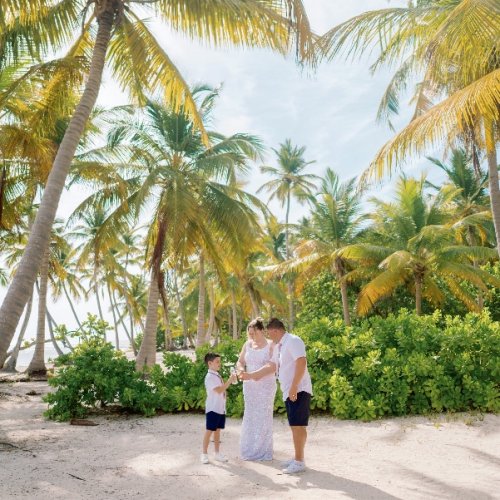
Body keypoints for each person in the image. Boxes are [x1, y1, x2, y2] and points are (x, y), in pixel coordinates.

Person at [266, 317, 312, 474]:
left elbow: (301, 362)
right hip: (289, 390)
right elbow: (273, 366)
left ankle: (299, 461)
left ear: (276, 330)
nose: (269, 336)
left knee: (297, 426)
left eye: (270, 333)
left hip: (298, 389)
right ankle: (298, 457)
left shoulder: (293, 340)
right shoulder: (280, 345)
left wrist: (293, 387)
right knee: (296, 425)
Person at [237, 318, 277, 461]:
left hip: (265, 386)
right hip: (249, 386)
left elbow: (272, 366)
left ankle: (263, 451)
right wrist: (241, 370)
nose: (251, 336)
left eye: (254, 333)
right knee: (250, 415)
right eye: (250, 333)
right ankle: (249, 449)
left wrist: (252, 375)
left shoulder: (271, 345)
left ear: (261, 330)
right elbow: (240, 361)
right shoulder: (247, 344)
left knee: (263, 416)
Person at [201, 352, 237, 464]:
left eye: (219, 361)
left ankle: (217, 453)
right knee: (209, 431)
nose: (219, 364)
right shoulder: (210, 377)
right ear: (210, 363)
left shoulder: (216, 375)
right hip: (213, 408)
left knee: (217, 431)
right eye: (217, 362)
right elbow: (219, 390)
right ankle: (204, 454)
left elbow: (222, 391)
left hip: (220, 408)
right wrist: (230, 381)